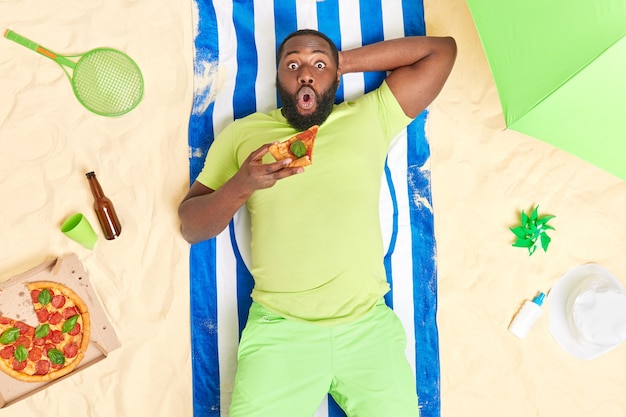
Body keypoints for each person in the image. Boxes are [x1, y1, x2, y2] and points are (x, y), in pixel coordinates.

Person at [178, 29, 456, 417]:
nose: (305, 73)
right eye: (293, 64)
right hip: (280, 330)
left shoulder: (369, 116)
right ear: (278, 78)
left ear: (337, 75)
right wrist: (241, 185)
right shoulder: (244, 136)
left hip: (366, 327)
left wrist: (341, 61)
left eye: (318, 64)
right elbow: (191, 226)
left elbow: (440, 51)